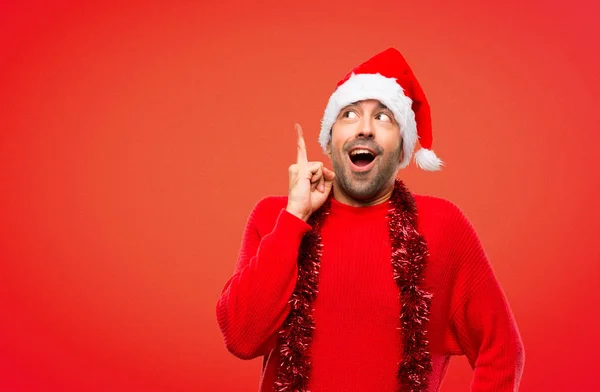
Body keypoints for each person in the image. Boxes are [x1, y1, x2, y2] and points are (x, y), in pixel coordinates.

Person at [216, 48, 524, 392]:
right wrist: (295, 217)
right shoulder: (275, 218)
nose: (365, 129)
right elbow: (242, 337)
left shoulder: (443, 225)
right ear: (330, 142)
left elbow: (503, 349)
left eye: (384, 117)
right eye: (349, 114)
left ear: (403, 147)